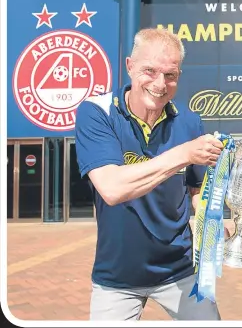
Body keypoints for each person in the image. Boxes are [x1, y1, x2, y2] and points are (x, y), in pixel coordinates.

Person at [75, 27, 230, 321]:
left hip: (180, 270)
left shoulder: (188, 121)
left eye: (170, 75)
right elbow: (111, 188)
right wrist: (182, 154)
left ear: (179, 76)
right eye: (150, 71)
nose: (160, 84)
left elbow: (197, 191)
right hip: (117, 275)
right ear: (130, 66)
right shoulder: (97, 112)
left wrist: (212, 222)